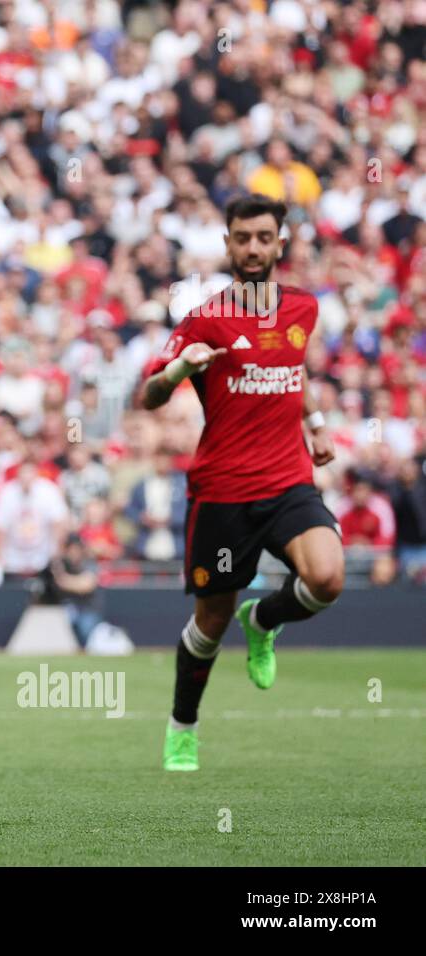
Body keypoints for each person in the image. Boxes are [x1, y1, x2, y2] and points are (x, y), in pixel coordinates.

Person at [135, 194, 344, 772]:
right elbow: (149, 396)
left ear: (281, 243)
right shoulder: (205, 319)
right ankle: (183, 726)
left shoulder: (303, 309)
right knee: (210, 621)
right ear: (227, 244)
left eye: (263, 237)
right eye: (242, 237)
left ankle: (267, 620)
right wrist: (180, 369)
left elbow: (291, 370)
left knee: (326, 578)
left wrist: (316, 425)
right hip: (223, 493)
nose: (252, 247)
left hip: (288, 482)